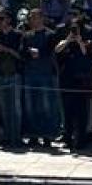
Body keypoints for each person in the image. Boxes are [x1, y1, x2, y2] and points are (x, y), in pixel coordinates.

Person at [22, 10, 62, 149]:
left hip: (45, 74)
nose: (33, 20)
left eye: (35, 17)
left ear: (42, 18)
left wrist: (40, 53)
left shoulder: (50, 34)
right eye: (31, 18)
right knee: (31, 106)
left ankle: (47, 136)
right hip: (30, 74)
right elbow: (22, 52)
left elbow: (52, 51)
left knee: (46, 105)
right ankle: (33, 135)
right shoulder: (26, 35)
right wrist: (29, 52)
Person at [56, 20, 92, 151]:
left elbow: (87, 55)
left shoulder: (87, 42)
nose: (74, 31)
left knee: (81, 113)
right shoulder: (66, 43)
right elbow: (57, 50)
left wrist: (79, 41)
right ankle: (68, 138)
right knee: (68, 112)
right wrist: (68, 40)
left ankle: (81, 140)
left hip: (81, 83)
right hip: (67, 81)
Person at [0, 9, 24, 147]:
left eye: (0, 18)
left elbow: (21, 55)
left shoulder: (18, 35)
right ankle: (7, 135)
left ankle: (16, 137)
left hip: (13, 74)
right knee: (3, 107)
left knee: (15, 107)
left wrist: (6, 49)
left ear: (8, 19)